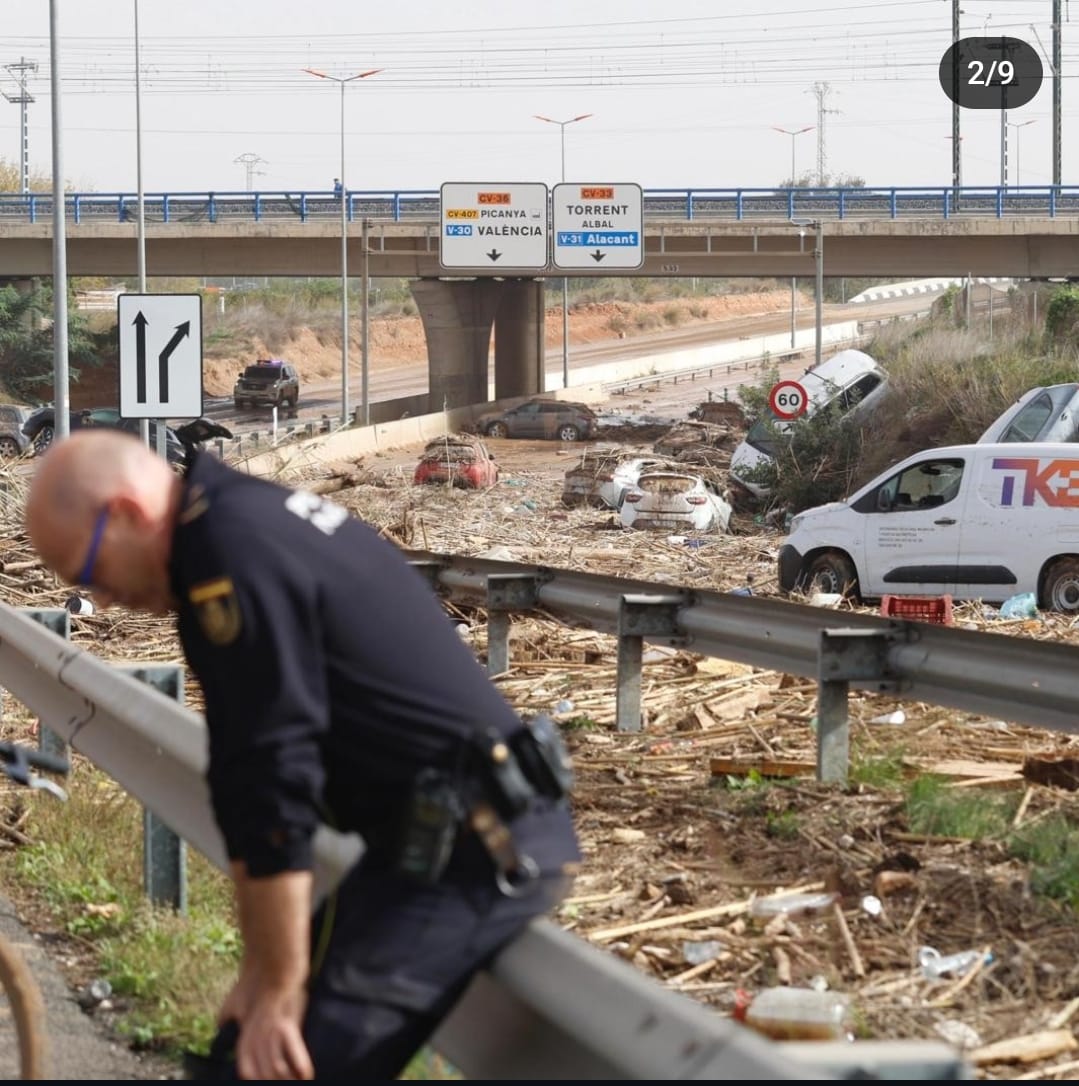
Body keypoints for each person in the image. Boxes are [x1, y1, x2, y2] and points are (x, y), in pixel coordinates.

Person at [25, 430, 581, 1081]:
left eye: (89, 573)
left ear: (124, 511)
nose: (105, 597)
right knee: (244, 1057)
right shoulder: (229, 523)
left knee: (282, 1068)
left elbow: (273, 776)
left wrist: (280, 988)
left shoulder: (228, 551)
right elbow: (246, 776)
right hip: (426, 848)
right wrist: (263, 976)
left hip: (482, 849)